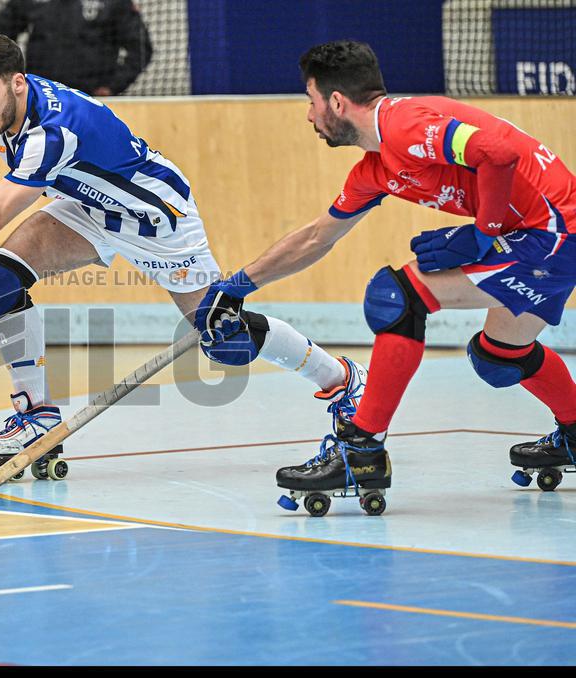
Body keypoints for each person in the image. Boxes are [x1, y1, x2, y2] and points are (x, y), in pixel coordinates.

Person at [0, 34, 366, 479]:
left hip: (156, 219)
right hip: (89, 208)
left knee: (223, 336)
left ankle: (343, 381)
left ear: (17, 82)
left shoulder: (51, 133)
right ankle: (35, 415)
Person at [196, 40, 576, 514]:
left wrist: (484, 234)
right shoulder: (377, 167)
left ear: (337, 102)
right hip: (538, 237)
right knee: (500, 357)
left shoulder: (404, 125)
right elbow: (317, 238)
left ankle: (362, 449)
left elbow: (495, 153)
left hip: (553, 235)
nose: (309, 116)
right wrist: (234, 287)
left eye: (311, 102)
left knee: (398, 297)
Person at [0, 0, 152, 96]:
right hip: (41, 95)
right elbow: (0, 34)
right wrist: (11, 77)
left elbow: (140, 47)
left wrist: (112, 86)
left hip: (90, 97)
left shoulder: (114, 3)